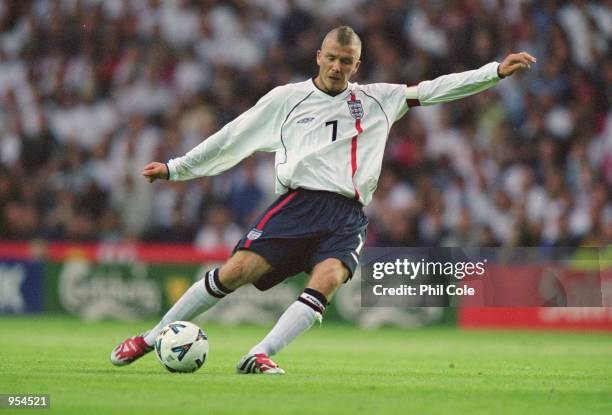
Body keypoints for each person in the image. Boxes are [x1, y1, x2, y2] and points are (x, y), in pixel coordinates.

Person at [110, 26, 536, 374]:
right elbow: (231, 139)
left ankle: (260, 352)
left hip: (347, 215)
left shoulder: (378, 100)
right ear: (318, 55)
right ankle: (150, 338)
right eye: (331, 57)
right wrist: (176, 167)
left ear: (357, 65)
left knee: (329, 278)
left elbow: (435, 89)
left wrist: (493, 72)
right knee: (235, 270)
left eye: (346, 61)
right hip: (297, 204)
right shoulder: (286, 100)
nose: (337, 66)